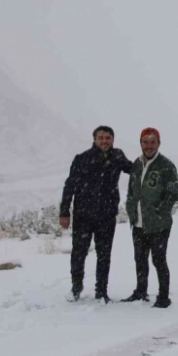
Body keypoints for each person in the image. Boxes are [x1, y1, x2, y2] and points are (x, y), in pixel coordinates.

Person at [60, 126, 133, 303]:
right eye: (100, 138)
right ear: (94, 139)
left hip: (107, 215)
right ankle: (76, 287)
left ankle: (101, 291)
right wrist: (64, 212)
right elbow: (69, 186)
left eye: (108, 138)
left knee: (104, 254)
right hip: (83, 215)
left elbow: (135, 170)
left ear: (113, 140)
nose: (104, 141)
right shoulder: (82, 159)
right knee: (79, 252)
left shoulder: (117, 156)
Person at [122, 127, 178, 308]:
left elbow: (173, 194)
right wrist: (130, 206)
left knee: (158, 260)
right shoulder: (137, 164)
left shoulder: (166, 166)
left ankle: (163, 297)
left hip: (158, 224)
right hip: (138, 223)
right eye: (145, 142)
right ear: (140, 143)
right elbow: (132, 190)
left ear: (158, 143)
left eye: (152, 142)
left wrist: (159, 211)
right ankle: (141, 291)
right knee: (139, 259)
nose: (148, 146)